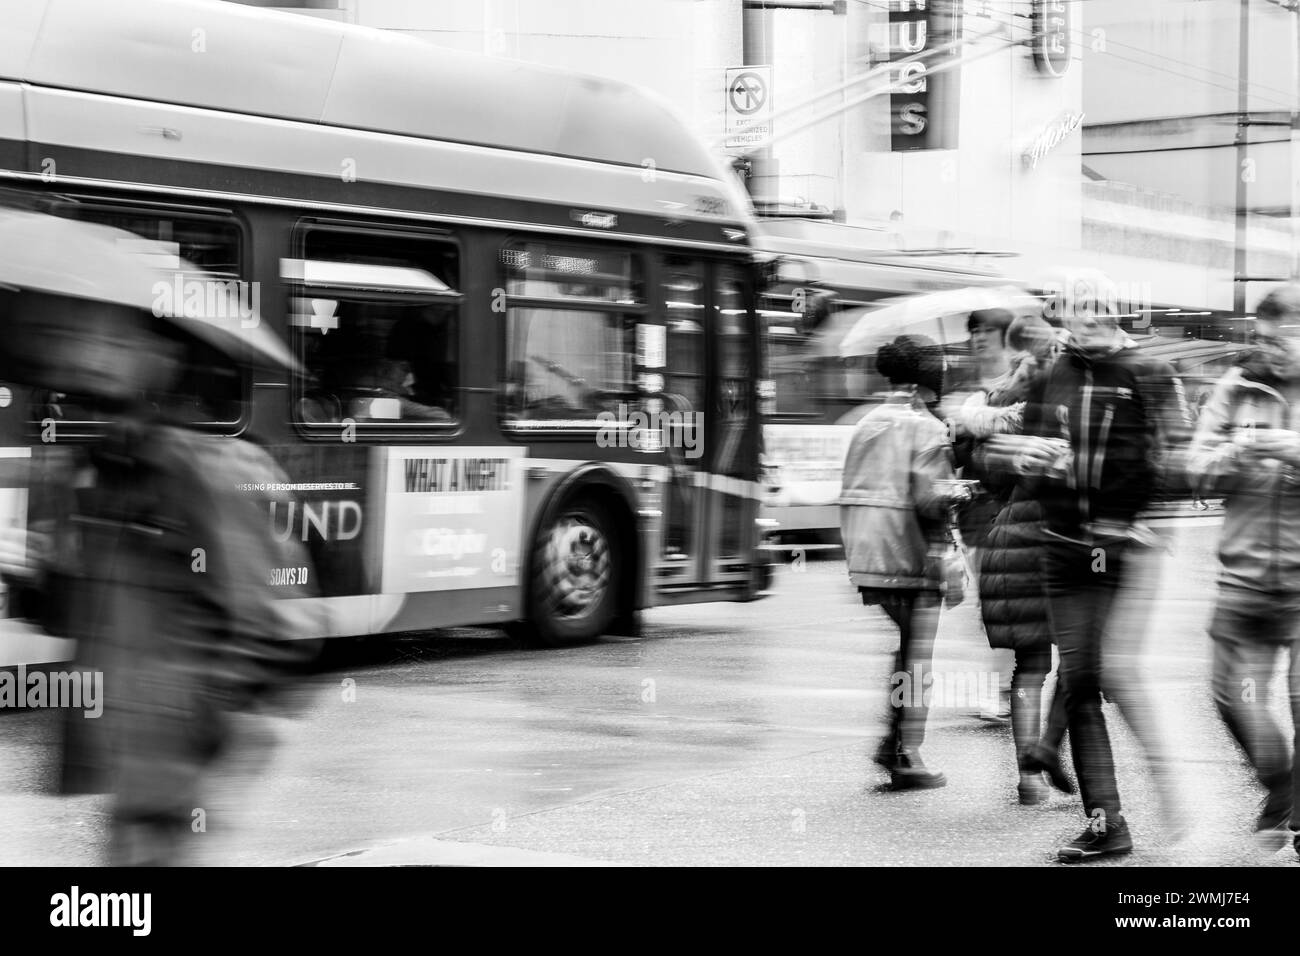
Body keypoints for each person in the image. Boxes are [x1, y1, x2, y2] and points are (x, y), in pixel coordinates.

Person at [8, 304, 316, 865]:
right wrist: (38, 568)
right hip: (129, 750)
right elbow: (69, 616)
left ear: (160, 365)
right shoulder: (98, 475)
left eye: (112, 345)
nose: (84, 360)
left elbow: (261, 624)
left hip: (179, 755)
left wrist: (198, 743)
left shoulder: (208, 473)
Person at [977, 285, 1191, 861]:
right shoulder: (1056, 371)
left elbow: (1177, 458)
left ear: (1117, 315)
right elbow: (1028, 442)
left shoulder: (1148, 371)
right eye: (1075, 314)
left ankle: (1153, 785)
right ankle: (1106, 825)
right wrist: (1027, 456)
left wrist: (1149, 517)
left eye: (1096, 312)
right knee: (1079, 682)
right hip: (1062, 545)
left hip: (1120, 548)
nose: (1084, 323)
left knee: (1103, 675)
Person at [1187, 284, 1300, 854]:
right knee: (1231, 696)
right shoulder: (1238, 387)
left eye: (1290, 332)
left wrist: (1290, 449)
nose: (1278, 345)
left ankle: (1297, 820)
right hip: (1244, 576)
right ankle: (1281, 780)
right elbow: (1195, 469)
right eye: (1270, 332)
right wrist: (1237, 454)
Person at [841, 334, 971, 790]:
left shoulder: (869, 420)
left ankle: (894, 742)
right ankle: (904, 751)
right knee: (916, 657)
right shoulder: (926, 426)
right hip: (908, 554)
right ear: (930, 375)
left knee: (906, 650)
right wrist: (961, 491)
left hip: (867, 552)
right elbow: (931, 500)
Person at [963, 313, 1074, 805]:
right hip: (1062, 542)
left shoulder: (999, 400)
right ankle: (1049, 753)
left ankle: (1029, 778)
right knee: (1079, 665)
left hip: (1010, 538)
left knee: (1029, 667)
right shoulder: (1076, 395)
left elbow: (984, 472)